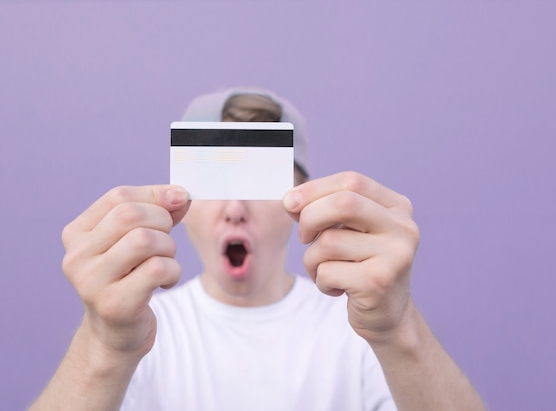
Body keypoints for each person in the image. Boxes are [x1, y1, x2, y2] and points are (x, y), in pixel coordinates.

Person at [30, 87, 485, 410]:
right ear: (181, 199)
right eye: (215, 180)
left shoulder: (361, 331)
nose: (235, 207)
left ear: (301, 198)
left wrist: (397, 328)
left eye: (257, 180)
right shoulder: (138, 334)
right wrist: (105, 345)